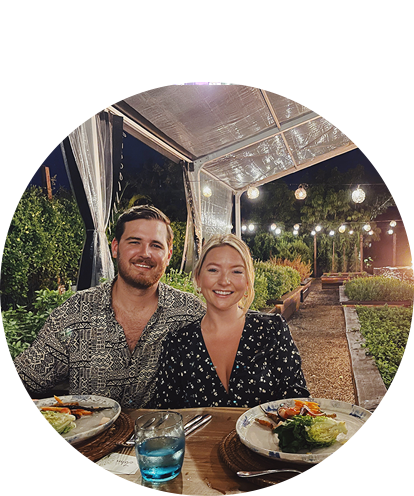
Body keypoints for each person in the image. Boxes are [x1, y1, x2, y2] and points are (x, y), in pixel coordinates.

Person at [0, 205, 205, 408]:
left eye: (156, 245)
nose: (145, 253)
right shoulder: (76, 311)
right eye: (135, 242)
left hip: (163, 438)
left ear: (168, 256)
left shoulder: (190, 312)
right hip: (90, 438)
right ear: (115, 247)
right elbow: (24, 373)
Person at [149, 234, 310, 409]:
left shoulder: (272, 329)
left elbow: (297, 400)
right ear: (197, 278)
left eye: (236, 271)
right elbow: (166, 414)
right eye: (213, 270)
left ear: (248, 281)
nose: (224, 281)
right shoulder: (178, 343)